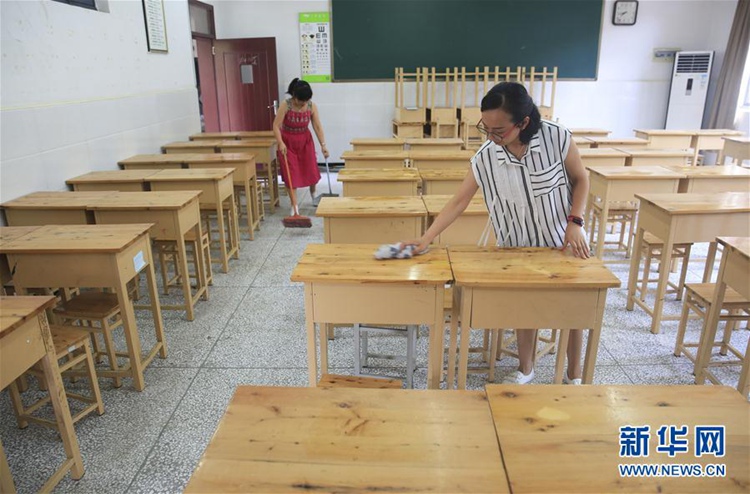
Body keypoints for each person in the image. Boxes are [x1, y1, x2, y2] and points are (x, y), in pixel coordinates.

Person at [404, 82, 590, 385]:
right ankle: (526, 368)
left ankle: (574, 375)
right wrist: (426, 239)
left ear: (523, 122)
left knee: (573, 311)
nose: (491, 137)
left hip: (562, 242)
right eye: (485, 128)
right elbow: (459, 201)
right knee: (523, 309)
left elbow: (582, 179)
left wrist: (576, 221)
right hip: (515, 248)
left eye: (499, 131)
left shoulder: (557, 138)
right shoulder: (486, 156)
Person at [273, 78, 329, 216]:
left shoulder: (311, 106)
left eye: (306, 100)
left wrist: (323, 145)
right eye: (300, 101)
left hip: (305, 141)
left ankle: (313, 192)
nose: (303, 104)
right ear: (294, 95)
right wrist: (280, 142)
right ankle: (295, 206)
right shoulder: (285, 105)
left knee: (310, 168)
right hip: (288, 143)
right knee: (290, 173)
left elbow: (317, 126)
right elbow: (276, 125)